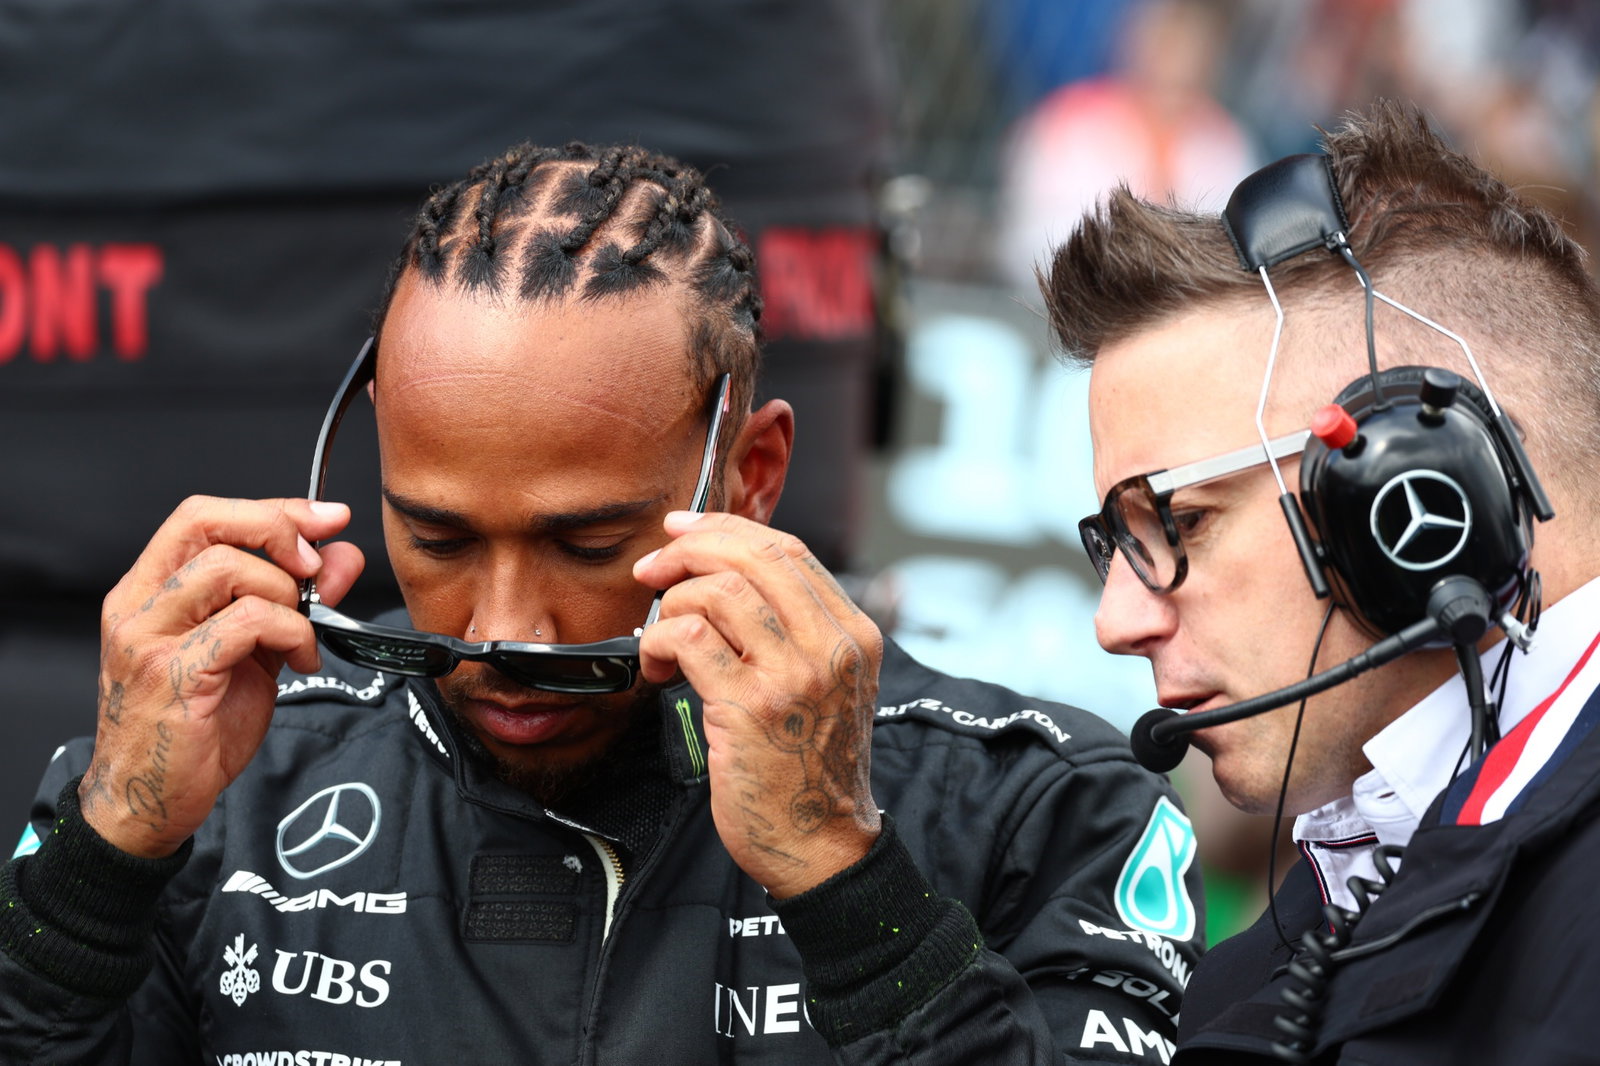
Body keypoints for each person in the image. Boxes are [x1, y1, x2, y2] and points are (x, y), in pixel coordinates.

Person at [0, 143, 1198, 1064]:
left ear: (752, 477)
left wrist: (844, 876)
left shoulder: (1037, 810)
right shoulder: (213, 792)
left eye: (586, 542)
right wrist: (103, 855)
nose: (502, 629)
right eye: (436, 536)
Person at [1042, 99, 1600, 1063]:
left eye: (1181, 523)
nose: (1117, 621)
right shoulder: (1294, 937)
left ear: (1422, 492)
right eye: (1118, 546)